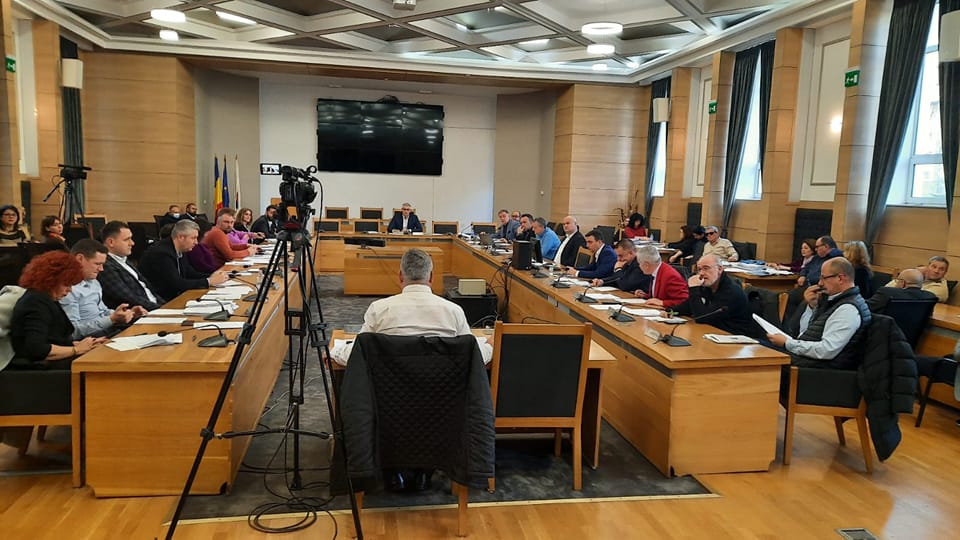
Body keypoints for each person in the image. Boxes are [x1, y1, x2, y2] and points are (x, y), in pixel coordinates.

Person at [332, 248, 493, 492]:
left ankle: (392, 470)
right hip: (442, 414)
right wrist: (489, 345)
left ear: (400, 276)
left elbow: (357, 355)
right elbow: (473, 356)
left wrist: (335, 351)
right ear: (432, 277)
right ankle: (425, 471)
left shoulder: (380, 309)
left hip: (389, 412)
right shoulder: (453, 311)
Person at [768, 257, 872, 369]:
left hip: (818, 369)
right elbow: (803, 334)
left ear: (840, 278)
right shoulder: (832, 301)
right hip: (806, 359)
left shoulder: (848, 309)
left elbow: (826, 350)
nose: (820, 283)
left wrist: (787, 343)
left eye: (823, 278)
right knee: (761, 346)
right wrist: (812, 307)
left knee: (762, 356)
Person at [9, 250, 106, 369]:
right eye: (67, 284)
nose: (70, 290)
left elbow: (54, 339)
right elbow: (36, 349)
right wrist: (76, 349)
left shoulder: (46, 299)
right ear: (51, 281)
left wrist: (82, 344)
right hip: (41, 371)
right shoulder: (35, 303)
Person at [59, 239, 147, 339]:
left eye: (102, 264)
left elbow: (103, 312)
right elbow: (73, 332)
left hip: (109, 332)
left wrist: (127, 313)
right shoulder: (66, 290)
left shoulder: (94, 282)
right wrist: (111, 319)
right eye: (97, 264)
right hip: (90, 340)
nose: (101, 269)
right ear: (80, 259)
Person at [673, 254, 762, 338]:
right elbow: (688, 306)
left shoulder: (730, 291)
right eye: (699, 269)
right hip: (715, 333)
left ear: (719, 269)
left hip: (736, 337)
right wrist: (671, 311)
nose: (701, 273)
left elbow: (703, 318)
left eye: (706, 268)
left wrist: (694, 289)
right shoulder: (709, 285)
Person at [139, 220, 229, 301]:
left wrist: (213, 276)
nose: (196, 242)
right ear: (181, 237)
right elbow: (177, 284)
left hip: (175, 296)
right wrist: (209, 281)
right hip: (162, 300)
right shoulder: (161, 254)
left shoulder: (180, 249)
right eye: (193, 238)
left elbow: (190, 273)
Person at [98, 220, 165, 311]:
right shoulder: (105, 266)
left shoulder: (126, 261)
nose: (132, 243)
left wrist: (166, 306)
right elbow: (128, 298)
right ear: (111, 242)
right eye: (127, 239)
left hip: (155, 308)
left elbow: (150, 290)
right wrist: (161, 309)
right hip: (141, 313)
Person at [867, 268, 938, 313]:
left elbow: (866, 308)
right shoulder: (930, 297)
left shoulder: (887, 292)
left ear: (902, 283)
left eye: (897, 281)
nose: (896, 283)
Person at [886, 256, 950, 303]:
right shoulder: (919, 277)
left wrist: (899, 287)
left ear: (945, 272)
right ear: (927, 267)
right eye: (934, 267)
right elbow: (887, 288)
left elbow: (914, 298)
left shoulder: (940, 289)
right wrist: (916, 273)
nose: (936, 271)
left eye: (941, 269)